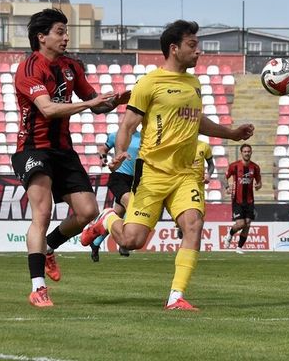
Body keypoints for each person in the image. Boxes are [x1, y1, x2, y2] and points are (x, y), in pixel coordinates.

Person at [85, 19, 254, 311]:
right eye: (192, 45)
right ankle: (106, 220)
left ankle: (176, 296)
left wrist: (232, 133)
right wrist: (122, 152)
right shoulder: (149, 83)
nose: (198, 51)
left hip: (186, 173)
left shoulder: (194, 83)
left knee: (193, 224)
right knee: (131, 240)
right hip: (152, 173)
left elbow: (197, 120)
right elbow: (128, 124)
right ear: (174, 49)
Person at [12, 8, 128, 308]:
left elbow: (96, 105)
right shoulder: (28, 68)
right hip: (33, 149)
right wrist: (89, 103)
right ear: (42, 37)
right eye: (60, 31)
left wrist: (118, 100)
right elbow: (48, 109)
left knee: (88, 211)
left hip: (63, 150)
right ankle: (38, 288)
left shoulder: (71, 67)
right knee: (43, 212)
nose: (66, 37)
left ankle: (50, 246)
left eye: (66, 31)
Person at [82, 128, 142, 262]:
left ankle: (96, 243)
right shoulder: (116, 135)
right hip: (119, 178)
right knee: (131, 203)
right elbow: (103, 149)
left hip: (135, 180)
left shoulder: (143, 137)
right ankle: (124, 244)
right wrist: (104, 160)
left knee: (118, 216)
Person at [224, 144, 262, 254]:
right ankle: (230, 234)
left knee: (248, 223)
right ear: (241, 153)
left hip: (249, 200)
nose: (247, 153)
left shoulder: (255, 167)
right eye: (245, 151)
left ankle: (239, 247)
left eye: (248, 151)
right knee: (241, 224)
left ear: (251, 152)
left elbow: (259, 182)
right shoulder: (234, 166)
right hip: (237, 200)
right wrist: (227, 187)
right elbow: (224, 177)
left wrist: (258, 186)